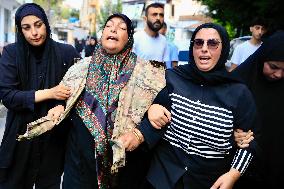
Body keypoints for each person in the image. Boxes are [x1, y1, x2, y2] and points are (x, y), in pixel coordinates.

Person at [119, 23, 260, 189]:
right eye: (198, 43)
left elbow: (250, 142)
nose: (204, 49)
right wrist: (150, 107)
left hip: (208, 182)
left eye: (213, 43)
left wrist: (233, 175)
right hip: (160, 178)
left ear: (224, 49)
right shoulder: (171, 78)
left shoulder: (239, 93)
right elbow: (136, 100)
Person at [51, 14, 165, 189]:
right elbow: (62, 96)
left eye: (121, 27)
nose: (113, 29)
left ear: (129, 37)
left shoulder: (148, 72)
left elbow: (163, 109)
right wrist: (59, 106)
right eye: (109, 26)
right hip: (80, 166)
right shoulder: (80, 68)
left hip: (124, 167)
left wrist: (140, 133)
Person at [0, 3, 79, 189]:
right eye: (26, 28)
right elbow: (8, 96)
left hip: (54, 137)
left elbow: (81, 89)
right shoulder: (12, 54)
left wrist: (62, 105)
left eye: (38, 24)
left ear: (46, 24)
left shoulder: (66, 53)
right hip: (21, 135)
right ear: (20, 30)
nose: (34, 32)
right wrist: (50, 93)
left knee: (49, 184)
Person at [232, 31, 284, 189]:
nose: (279, 74)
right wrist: (232, 130)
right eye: (273, 67)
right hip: (240, 169)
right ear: (262, 59)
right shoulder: (238, 82)